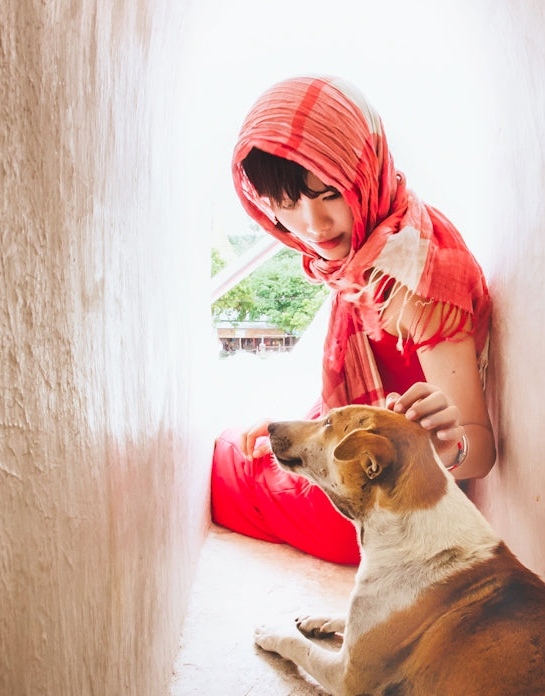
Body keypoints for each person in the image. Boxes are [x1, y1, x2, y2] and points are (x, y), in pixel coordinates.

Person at [210, 76, 494, 565]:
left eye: (328, 194)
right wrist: (300, 432)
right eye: (286, 205)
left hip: (380, 506)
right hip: (363, 464)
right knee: (251, 448)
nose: (313, 226)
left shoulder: (419, 271)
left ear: (363, 173)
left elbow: (479, 448)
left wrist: (448, 448)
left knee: (221, 467)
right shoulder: (374, 243)